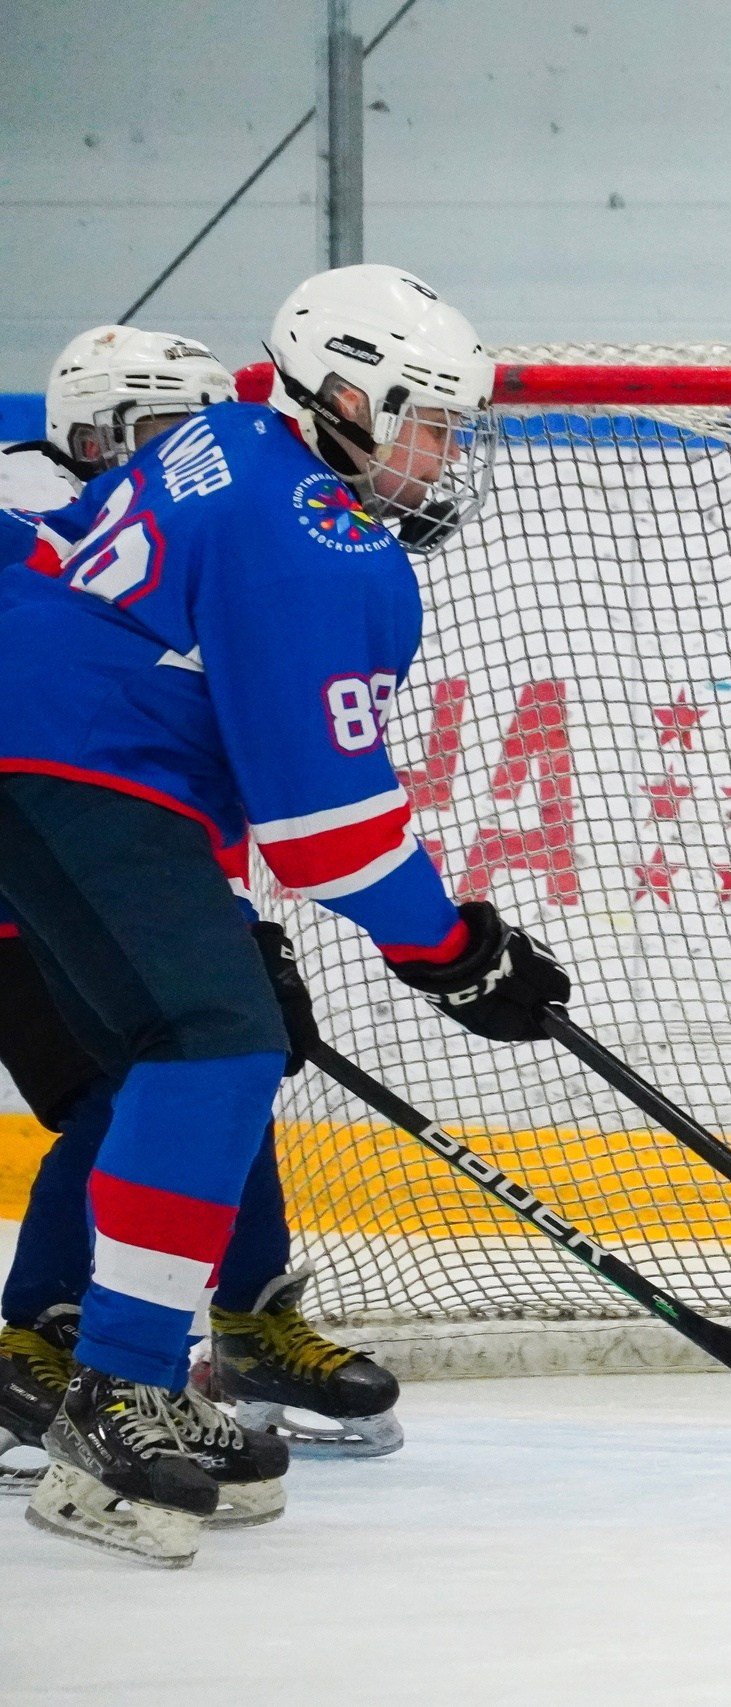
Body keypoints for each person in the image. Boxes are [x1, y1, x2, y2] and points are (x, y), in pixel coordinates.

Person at [0, 265, 572, 1568]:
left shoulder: (225, 443)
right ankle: (117, 1391)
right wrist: (454, 953)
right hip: (74, 757)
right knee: (214, 1042)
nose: (446, 456)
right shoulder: (315, 528)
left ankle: (119, 1368)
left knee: (187, 1046)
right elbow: (326, 826)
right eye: (433, 423)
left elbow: (196, 695)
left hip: (54, 746)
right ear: (348, 400)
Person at [0, 328, 407, 1505]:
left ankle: (240, 1313)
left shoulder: (162, 527)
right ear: (92, 433)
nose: (178, 455)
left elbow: (175, 742)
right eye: (156, 432)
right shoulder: (38, 513)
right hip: (25, 876)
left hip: (86, 855)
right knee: (158, 1069)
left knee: (225, 1049)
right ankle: (46, 1335)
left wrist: (232, 916)